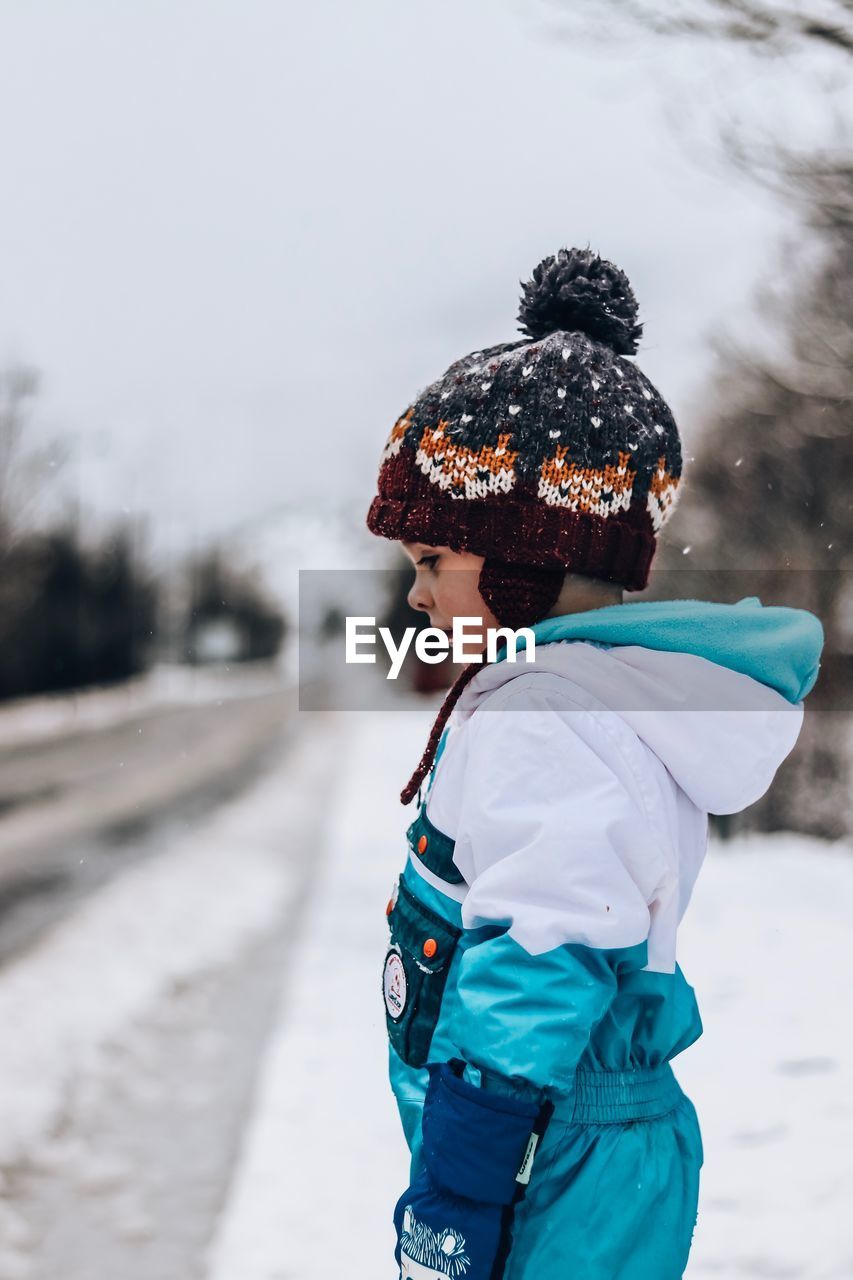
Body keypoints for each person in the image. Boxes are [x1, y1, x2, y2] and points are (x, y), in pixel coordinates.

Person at [364, 246, 824, 1280]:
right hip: (566, 1141)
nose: (418, 597)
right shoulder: (590, 696)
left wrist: (461, 1186)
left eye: (433, 560)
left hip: (548, 1154)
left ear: (525, 558)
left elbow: (542, 951)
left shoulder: (547, 716)